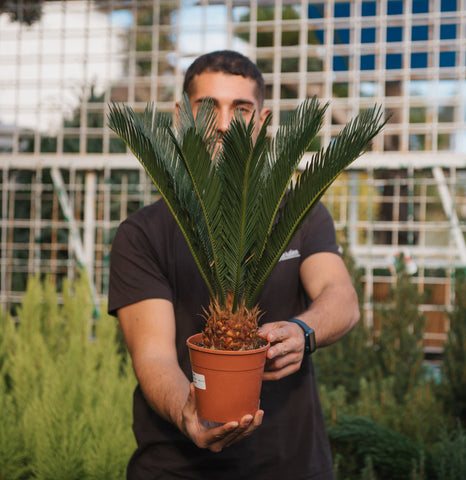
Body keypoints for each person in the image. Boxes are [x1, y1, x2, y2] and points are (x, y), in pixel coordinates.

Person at [108, 50, 360, 480]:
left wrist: (303, 332)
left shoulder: (298, 214)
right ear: (180, 117)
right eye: (208, 108)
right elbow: (152, 354)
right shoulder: (142, 234)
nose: (223, 124)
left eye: (240, 109)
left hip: (291, 466)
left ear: (260, 122)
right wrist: (185, 411)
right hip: (176, 469)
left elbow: (341, 298)